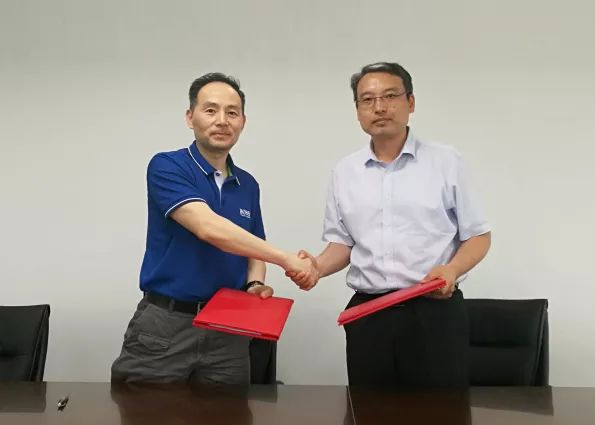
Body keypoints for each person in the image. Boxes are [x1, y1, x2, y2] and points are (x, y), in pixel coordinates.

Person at [288, 62, 491, 388]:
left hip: (433, 312)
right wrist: (316, 267)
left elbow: (478, 236)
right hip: (368, 313)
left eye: (390, 96)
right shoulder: (345, 171)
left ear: (410, 102)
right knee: (368, 409)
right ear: (357, 110)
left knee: (441, 410)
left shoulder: (446, 161)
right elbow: (343, 243)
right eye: (367, 100)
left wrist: (451, 270)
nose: (379, 107)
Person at [111, 72, 313, 385]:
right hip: (166, 325)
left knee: (228, 410)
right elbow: (208, 228)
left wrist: (254, 285)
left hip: (228, 330)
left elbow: (253, 246)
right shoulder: (167, 166)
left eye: (232, 113)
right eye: (210, 110)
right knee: (145, 408)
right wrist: (285, 259)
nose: (222, 121)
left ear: (243, 122)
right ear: (190, 117)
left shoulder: (248, 184)